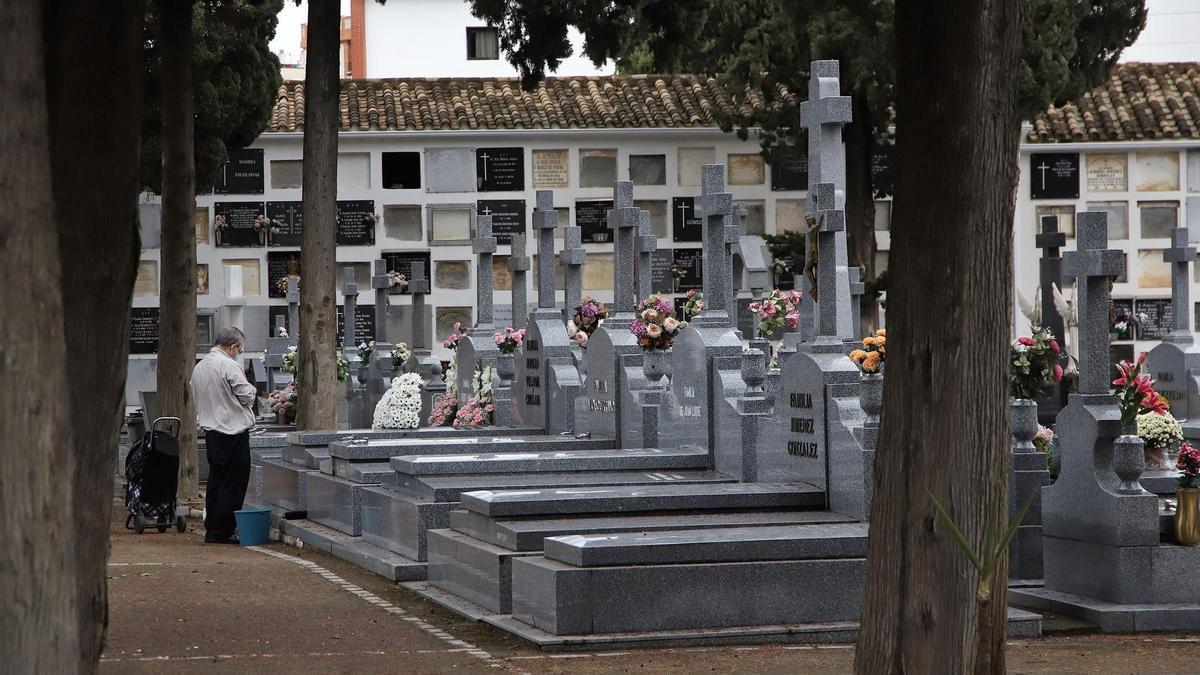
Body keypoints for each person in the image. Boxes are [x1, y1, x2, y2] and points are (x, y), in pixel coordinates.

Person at [190, 327, 256, 544]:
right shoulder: (228, 365)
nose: (238, 354)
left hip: (212, 431)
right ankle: (223, 530)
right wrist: (253, 390)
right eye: (239, 350)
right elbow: (246, 396)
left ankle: (213, 527)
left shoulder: (199, 367)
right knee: (234, 482)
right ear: (233, 347)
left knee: (216, 480)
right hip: (232, 430)